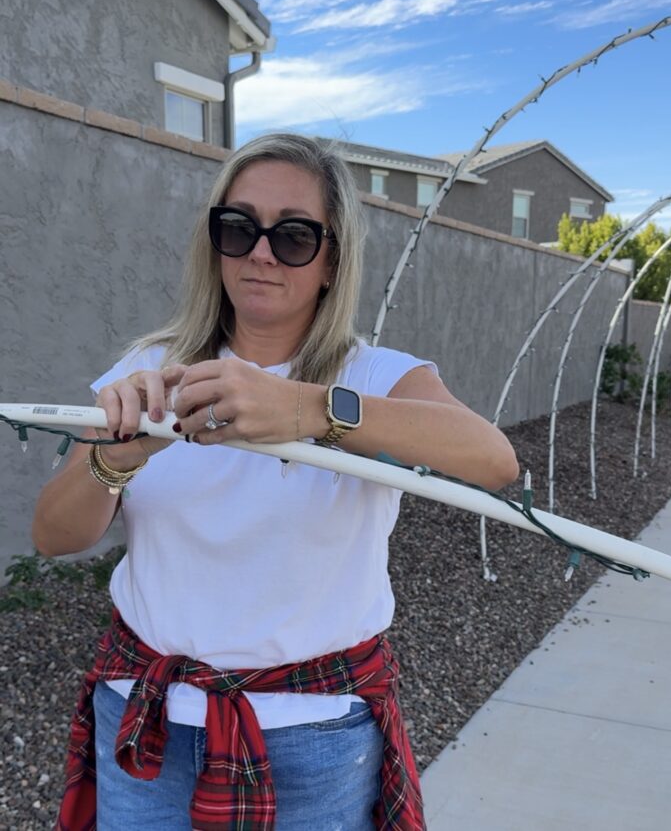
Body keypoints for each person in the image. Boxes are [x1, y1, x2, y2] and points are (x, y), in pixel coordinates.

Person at [33, 133, 518, 830]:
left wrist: (307, 408)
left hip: (310, 736)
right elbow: (54, 534)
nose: (260, 253)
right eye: (238, 228)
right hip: (145, 717)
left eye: (293, 236)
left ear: (331, 260)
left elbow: (492, 458)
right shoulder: (152, 367)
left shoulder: (374, 377)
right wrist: (122, 452)